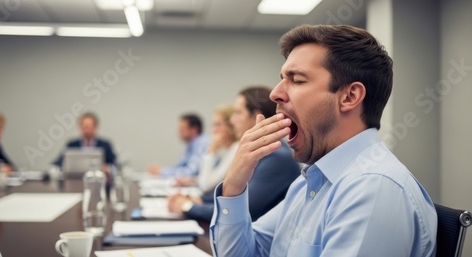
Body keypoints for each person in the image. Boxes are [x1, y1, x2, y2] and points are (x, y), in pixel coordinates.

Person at [210, 25, 437, 257]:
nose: (274, 94)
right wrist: (233, 189)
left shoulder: (373, 187)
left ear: (349, 97)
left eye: (296, 80)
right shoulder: (309, 182)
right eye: (282, 79)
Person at [168, 87, 301, 222]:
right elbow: (231, 194)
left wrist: (187, 206)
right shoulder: (260, 151)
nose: (232, 120)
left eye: (238, 113)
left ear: (256, 117)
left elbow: (237, 210)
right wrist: (199, 200)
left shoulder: (276, 157)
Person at [175, 105, 238, 193]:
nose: (214, 130)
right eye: (213, 125)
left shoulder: (235, 150)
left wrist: (211, 152)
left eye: (218, 125)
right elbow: (211, 178)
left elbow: (206, 186)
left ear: (231, 126)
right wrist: (195, 180)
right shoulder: (227, 150)